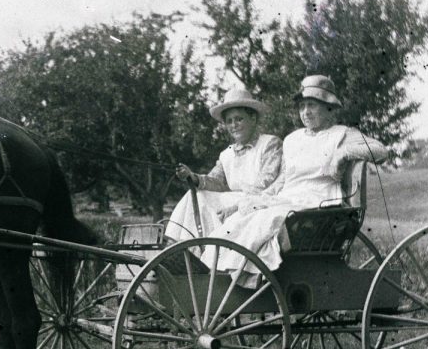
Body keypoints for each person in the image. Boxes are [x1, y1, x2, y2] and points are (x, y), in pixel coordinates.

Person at [169, 75, 392, 273]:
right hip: (289, 198)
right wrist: (261, 199)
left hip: (319, 202)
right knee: (243, 217)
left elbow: (381, 150)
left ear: (328, 108)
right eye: (302, 106)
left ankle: (231, 271)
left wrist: (342, 154)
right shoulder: (293, 140)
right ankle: (214, 267)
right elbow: (284, 179)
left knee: (263, 221)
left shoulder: (341, 134)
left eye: (312, 106)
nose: (306, 112)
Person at [165, 87, 282, 242]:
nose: (234, 125)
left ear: (253, 118)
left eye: (239, 119)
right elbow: (216, 181)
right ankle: (182, 245)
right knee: (197, 195)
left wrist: (238, 207)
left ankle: (199, 248)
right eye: (229, 121)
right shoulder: (227, 154)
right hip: (233, 201)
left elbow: (266, 183)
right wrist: (192, 176)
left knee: (212, 203)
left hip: (258, 203)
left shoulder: (269, 144)